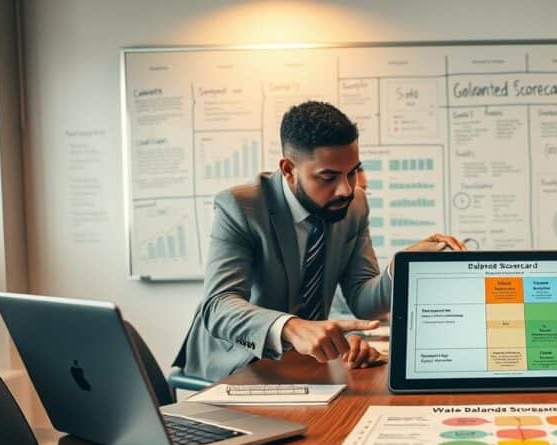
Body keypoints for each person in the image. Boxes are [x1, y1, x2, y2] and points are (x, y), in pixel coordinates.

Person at [174, 101, 464, 381]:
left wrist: (402, 265)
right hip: (236, 363)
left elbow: (363, 300)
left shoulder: (355, 204)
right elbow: (219, 305)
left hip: (305, 365)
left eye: (352, 172)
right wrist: (291, 327)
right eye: (328, 177)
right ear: (288, 170)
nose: (345, 190)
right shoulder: (240, 206)